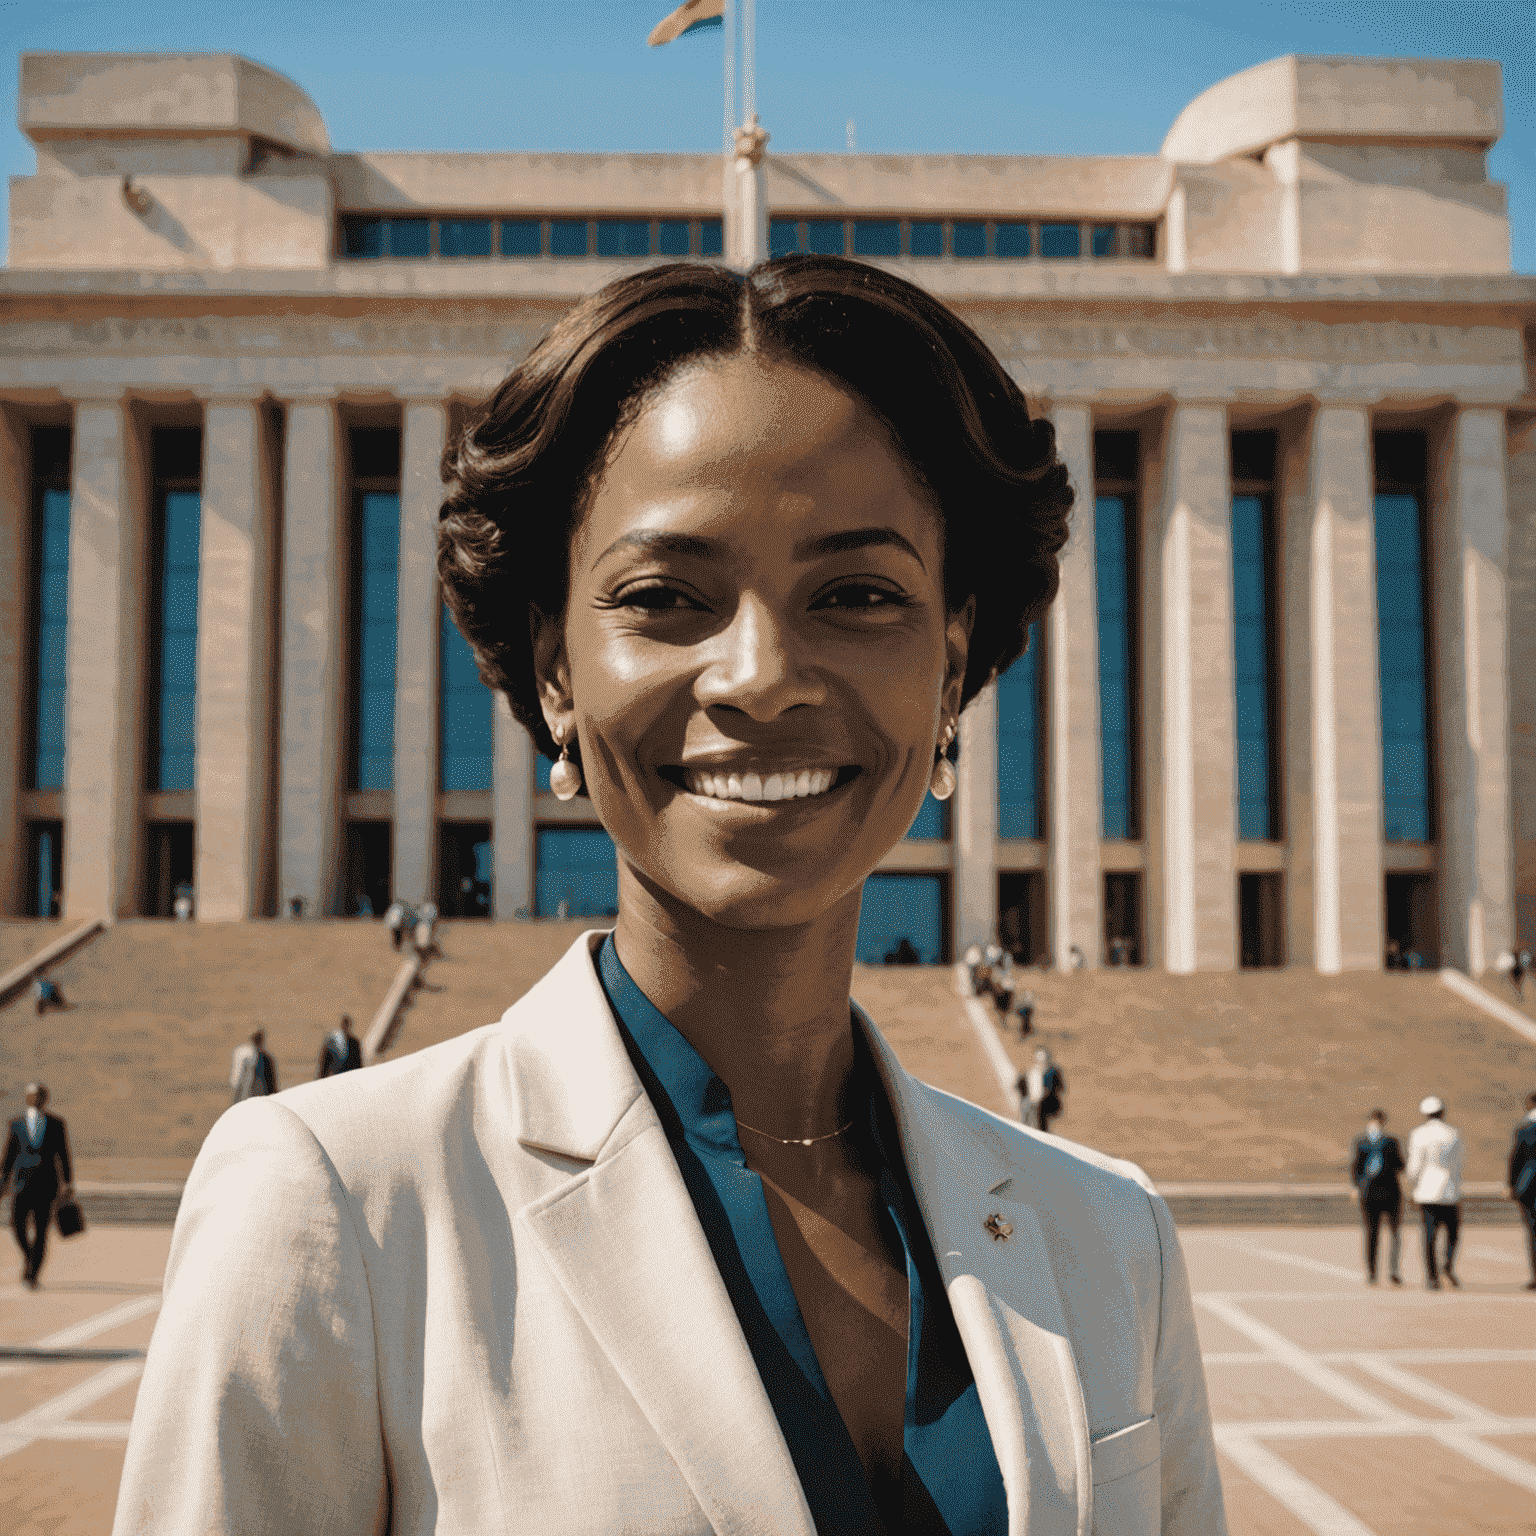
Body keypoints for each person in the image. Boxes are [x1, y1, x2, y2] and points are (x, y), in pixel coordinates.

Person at [116, 257, 1225, 1534]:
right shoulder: (339, 1205)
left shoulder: (1109, 1235)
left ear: (952, 666)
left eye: (857, 595)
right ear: (555, 676)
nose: (760, 675)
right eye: (666, 599)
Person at [1, 1083, 74, 1289]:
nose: (36, 1099)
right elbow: (8, 1155)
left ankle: (31, 1275)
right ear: (27, 1098)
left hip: (47, 1185)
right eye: (32, 1096)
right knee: (16, 1224)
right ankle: (30, 1255)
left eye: (40, 1096)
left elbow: (64, 1154)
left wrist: (67, 1182)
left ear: (45, 1098)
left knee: (42, 1230)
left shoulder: (56, 1123)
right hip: (22, 1184)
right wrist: (3, 1181)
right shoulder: (16, 1124)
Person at [1407, 1094, 1464, 1290]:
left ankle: (1432, 1277)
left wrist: (1413, 1185)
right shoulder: (1453, 1133)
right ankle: (1447, 1265)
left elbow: (1414, 1167)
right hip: (1449, 1191)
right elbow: (1459, 1164)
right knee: (1453, 1234)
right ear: (1442, 1112)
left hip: (1427, 1191)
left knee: (1429, 1235)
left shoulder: (1418, 1134)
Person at [1349, 1108, 1405, 1286]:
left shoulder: (1391, 1142)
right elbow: (1356, 1167)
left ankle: (1393, 1270)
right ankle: (1372, 1271)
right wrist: (1356, 1186)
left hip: (1390, 1192)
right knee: (1372, 1233)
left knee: (1394, 1233)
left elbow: (1400, 1165)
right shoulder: (1361, 1142)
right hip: (1369, 1192)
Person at [1508, 1090, 1536, 1291]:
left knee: (1533, 1232)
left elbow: (1516, 1160)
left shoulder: (1524, 1129)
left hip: (1530, 1188)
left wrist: (1511, 1185)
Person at [1020, 1046, 1066, 1134]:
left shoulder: (1052, 1072)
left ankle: (1040, 1133)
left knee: (1038, 1113)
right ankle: (1026, 1131)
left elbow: (1059, 1089)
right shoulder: (1034, 1071)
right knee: (1026, 1107)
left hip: (1047, 1102)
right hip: (1035, 1101)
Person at [228, 1030, 277, 1104]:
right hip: (252, 1093)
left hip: (258, 1093)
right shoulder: (252, 1057)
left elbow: (237, 1080)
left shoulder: (263, 1058)